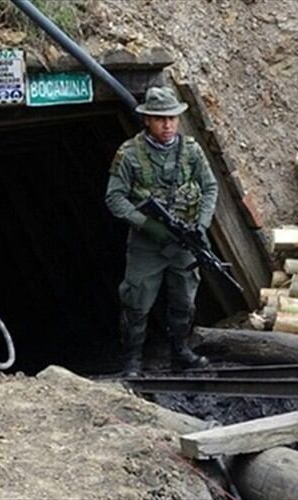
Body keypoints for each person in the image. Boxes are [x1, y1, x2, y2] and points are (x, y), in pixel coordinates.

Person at [105, 86, 218, 376]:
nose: (167, 125)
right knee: (137, 301)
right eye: (160, 119)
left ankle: (180, 350)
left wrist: (201, 225)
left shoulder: (191, 151)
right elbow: (115, 198)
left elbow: (210, 187)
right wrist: (148, 225)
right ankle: (132, 359)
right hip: (147, 244)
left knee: (184, 300)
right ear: (147, 120)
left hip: (184, 242)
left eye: (172, 118)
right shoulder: (129, 154)